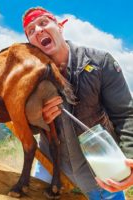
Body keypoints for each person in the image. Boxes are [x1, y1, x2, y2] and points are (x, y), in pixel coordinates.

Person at [22, 7, 133, 199]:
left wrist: (130, 155)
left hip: (101, 175)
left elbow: (125, 114)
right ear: (30, 43)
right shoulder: (30, 79)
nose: (38, 30)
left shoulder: (100, 62)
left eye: (43, 23)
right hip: (51, 171)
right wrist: (39, 118)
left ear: (59, 26)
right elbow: (26, 126)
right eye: (31, 30)